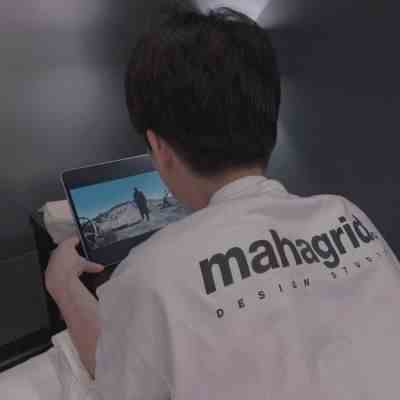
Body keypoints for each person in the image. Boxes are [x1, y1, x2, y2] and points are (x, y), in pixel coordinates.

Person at [45, 4, 400, 399]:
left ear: (158, 147)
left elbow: (118, 380)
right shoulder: (346, 215)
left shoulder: (151, 276)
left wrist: (64, 284)